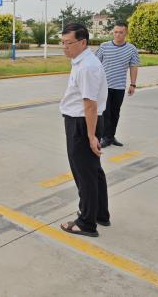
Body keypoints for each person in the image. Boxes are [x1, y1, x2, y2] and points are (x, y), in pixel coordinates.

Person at [59, 23, 109, 237]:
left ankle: (86, 222)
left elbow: (90, 104)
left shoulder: (87, 67)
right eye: (62, 42)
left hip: (82, 124)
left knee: (84, 174)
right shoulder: (82, 61)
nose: (64, 47)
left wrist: (90, 135)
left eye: (68, 43)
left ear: (83, 42)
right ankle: (100, 214)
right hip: (85, 121)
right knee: (94, 172)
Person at [95, 22, 140, 148]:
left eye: (121, 32)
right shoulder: (104, 46)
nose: (118, 34)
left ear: (126, 33)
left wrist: (133, 84)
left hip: (119, 87)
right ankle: (105, 137)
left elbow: (134, 66)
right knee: (105, 113)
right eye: (115, 32)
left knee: (115, 113)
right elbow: (95, 64)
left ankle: (111, 136)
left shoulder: (131, 49)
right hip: (104, 86)